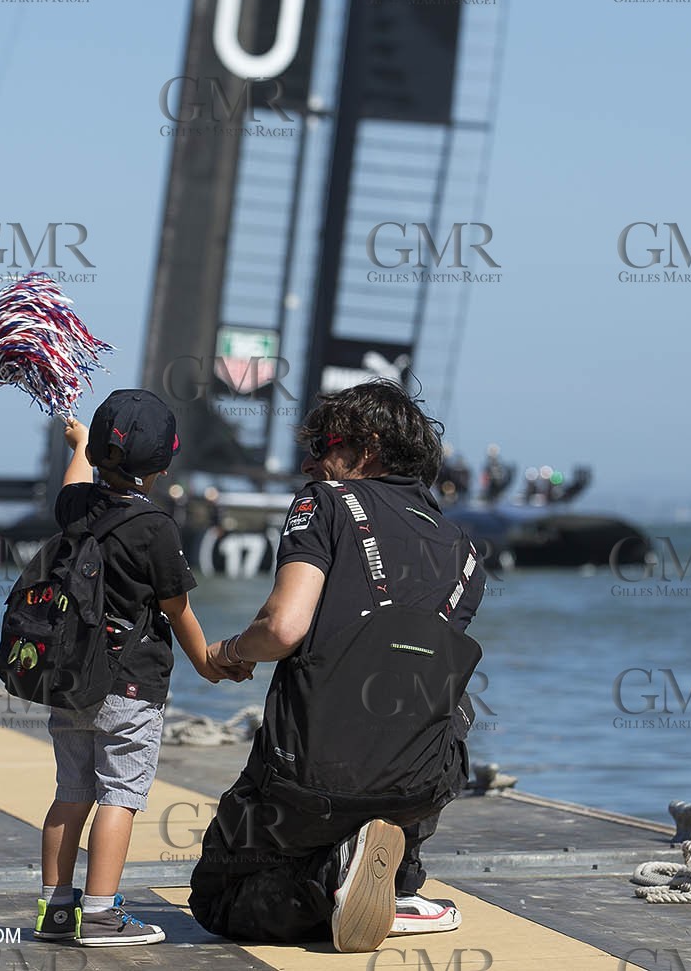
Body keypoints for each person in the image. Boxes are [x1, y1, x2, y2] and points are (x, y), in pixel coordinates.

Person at [189, 380, 487, 952]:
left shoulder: (322, 501)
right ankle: (399, 885)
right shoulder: (462, 547)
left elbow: (283, 627)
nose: (311, 461)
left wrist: (228, 653)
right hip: (416, 788)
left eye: (323, 445)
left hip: (309, 780)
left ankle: (332, 879)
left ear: (366, 447)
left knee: (217, 897)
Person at [34, 389, 249, 947]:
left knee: (70, 792)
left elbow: (71, 485)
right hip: (129, 686)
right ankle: (102, 914)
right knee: (119, 796)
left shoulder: (77, 509)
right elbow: (177, 607)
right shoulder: (155, 528)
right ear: (161, 464)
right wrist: (207, 660)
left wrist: (78, 445)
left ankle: (58, 911)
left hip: (69, 682)